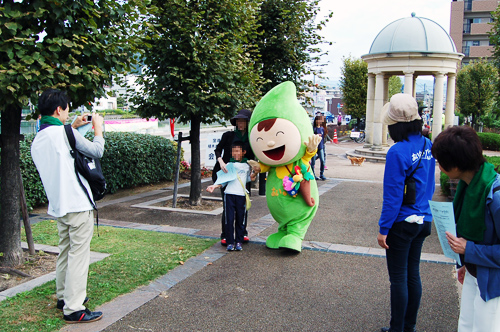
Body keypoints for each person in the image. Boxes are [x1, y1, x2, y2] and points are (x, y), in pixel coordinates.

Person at [31, 89, 105, 324]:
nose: (67, 113)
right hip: (77, 203)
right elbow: (97, 150)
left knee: (65, 250)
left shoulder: (38, 139)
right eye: (66, 109)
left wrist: (71, 126)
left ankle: (63, 297)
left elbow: (61, 147)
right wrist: (98, 129)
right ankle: (74, 308)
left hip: (59, 206)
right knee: (78, 255)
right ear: (59, 109)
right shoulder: (63, 133)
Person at [431, 126, 500, 332]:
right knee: (466, 327)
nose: (439, 166)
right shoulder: (468, 186)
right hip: (474, 271)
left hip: (492, 282)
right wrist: (464, 263)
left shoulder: (494, 196)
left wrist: (468, 250)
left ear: (456, 164)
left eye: (441, 162)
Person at [377, 93, 435, 332]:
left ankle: (396, 329)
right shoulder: (427, 144)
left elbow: (392, 198)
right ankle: (408, 327)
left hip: (402, 223)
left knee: (398, 278)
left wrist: (383, 229)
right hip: (424, 220)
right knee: (413, 273)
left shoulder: (397, 152)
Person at [212, 109, 254, 245]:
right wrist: (221, 161)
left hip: (244, 174)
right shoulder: (228, 135)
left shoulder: (252, 137)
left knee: (243, 205)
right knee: (227, 205)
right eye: (238, 121)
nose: (240, 123)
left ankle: (243, 233)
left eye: (243, 121)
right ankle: (225, 234)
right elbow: (218, 149)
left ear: (248, 122)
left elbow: (254, 156)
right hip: (226, 172)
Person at [207, 141, 257, 251]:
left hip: (241, 196)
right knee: (229, 220)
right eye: (233, 151)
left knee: (240, 219)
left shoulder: (247, 165)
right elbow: (224, 181)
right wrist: (214, 186)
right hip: (229, 195)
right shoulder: (229, 165)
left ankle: (238, 242)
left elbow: (249, 179)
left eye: (237, 151)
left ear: (243, 152)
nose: (235, 153)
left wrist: (255, 173)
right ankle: (230, 242)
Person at [310, 115, 326, 181]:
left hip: (320, 147)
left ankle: (321, 174)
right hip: (314, 147)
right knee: (313, 162)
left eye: (319, 120)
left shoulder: (322, 129)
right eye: (317, 120)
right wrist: (316, 135)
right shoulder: (313, 129)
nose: (318, 121)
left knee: (322, 160)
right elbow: (310, 136)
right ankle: (313, 174)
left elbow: (324, 138)